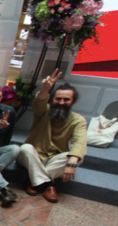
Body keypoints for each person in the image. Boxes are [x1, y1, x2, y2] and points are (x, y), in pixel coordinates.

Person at [17, 70, 87, 203]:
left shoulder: (78, 120)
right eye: (58, 99)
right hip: (33, 156)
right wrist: (45, 89)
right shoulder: (43, 111)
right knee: (25, 148)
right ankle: (49, 184)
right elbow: (39, 101)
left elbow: (79, 142)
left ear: (72, 101)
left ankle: (33, 181)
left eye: (66, 99)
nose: (61, 102)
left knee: (77, 158)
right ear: (52, 99)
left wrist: (71, 164)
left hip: (54, 159)